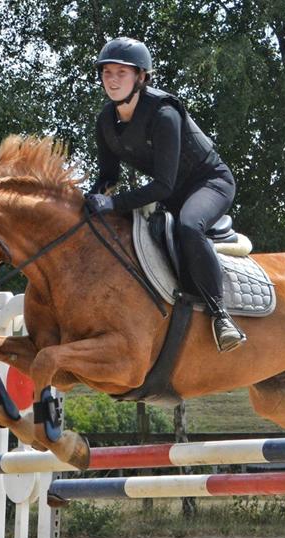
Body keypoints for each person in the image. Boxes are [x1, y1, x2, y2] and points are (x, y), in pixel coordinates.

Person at [85, 36, 246, 353]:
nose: (112, 80)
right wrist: (88, 204)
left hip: (209, 182)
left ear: (141, 76)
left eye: (121, 72)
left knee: (189, 226)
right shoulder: (106, 121)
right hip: (171, 191)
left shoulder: (164, 114)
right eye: (107, 73)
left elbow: (162, 186)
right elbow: (108, 178)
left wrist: (113, 203)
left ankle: (221, 316)